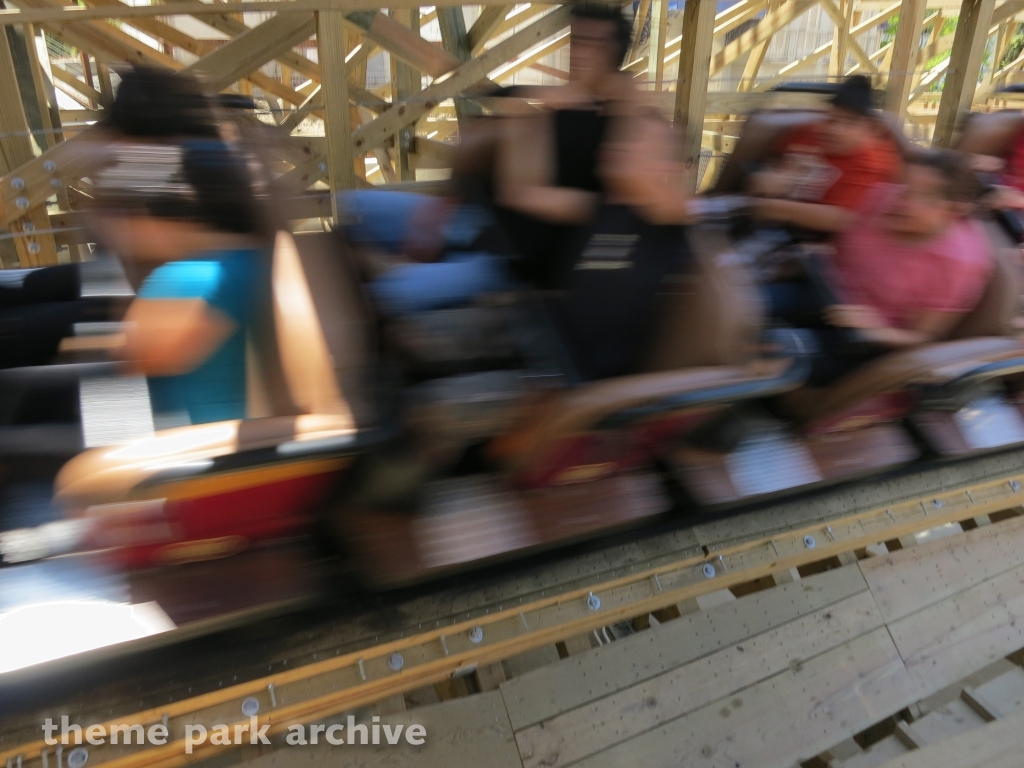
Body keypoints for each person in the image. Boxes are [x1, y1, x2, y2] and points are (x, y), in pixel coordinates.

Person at [84, 140, 268, 426]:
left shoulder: (186, 280)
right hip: (245, 437)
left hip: (193, 449)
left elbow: (126, 366)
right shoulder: (261, 260)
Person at [799, 150, 993, 385]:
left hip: (859, 343)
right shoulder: (880, 196)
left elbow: (923, 338)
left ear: (953, 210)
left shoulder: (958, 262)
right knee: (749, 302)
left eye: (924, 197)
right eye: (903, 187)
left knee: (779, 346)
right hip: (817, 290)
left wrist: (876, 330)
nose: (902, 202)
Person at [750, 75, 903, 234]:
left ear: (870, 129)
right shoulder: (810, 133)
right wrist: (770, 173)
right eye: (831, 119)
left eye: (848, 123)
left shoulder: (873, 163)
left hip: (825, 239)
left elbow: (842, 219)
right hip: (771, 222)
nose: (834, 130)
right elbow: (775, 160)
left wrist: (771, 207)